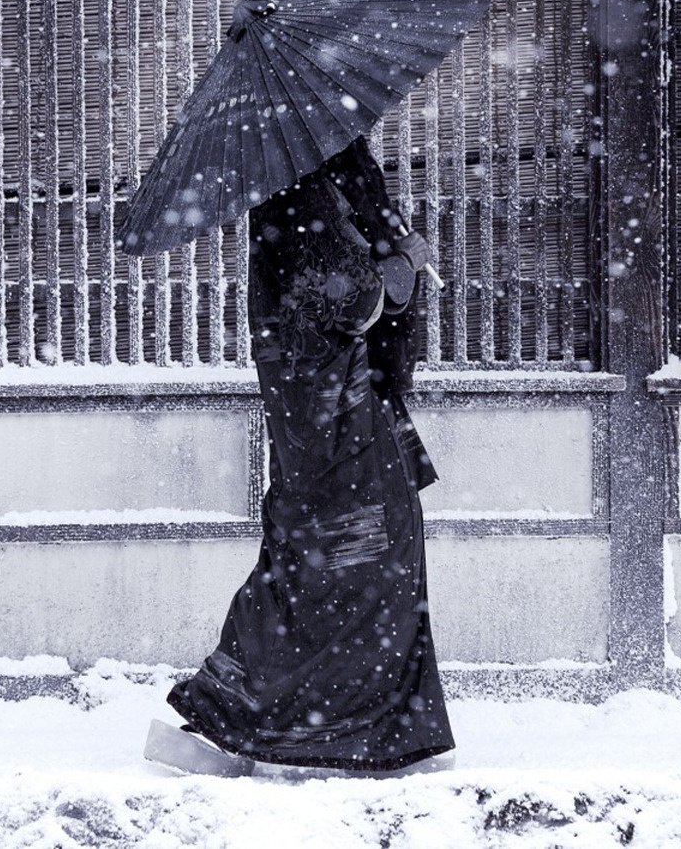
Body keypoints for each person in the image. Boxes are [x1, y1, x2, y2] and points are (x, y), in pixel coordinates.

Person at [144, 136, 453, 778]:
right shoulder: (298, 192)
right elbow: (342, 301)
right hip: (331, 417)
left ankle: (345, 725)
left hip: (343, 409)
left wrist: (392, 254)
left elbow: (360, 297)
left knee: (347, 560)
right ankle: (282, 721)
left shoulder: (323, 183)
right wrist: (401, 264)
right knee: (341, 560)